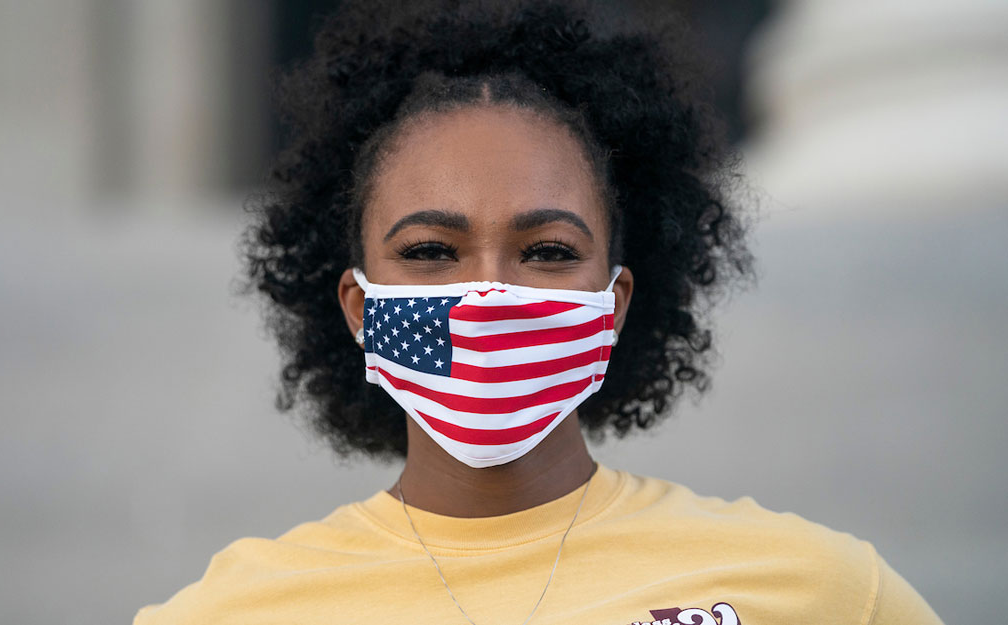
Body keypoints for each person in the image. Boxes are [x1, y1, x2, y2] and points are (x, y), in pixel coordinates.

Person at [133, 1, 943, 623]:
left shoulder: (817, 590)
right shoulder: (234, 612)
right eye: (428, 252)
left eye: (548, 251)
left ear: (615, 301)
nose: (489, 291)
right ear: (356, 305)